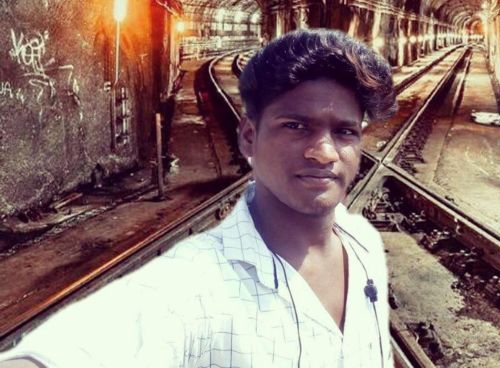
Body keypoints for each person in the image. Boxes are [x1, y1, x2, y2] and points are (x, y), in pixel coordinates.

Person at [0, 29, 397, 368]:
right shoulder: (198, 284)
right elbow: (93, 343)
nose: (324, 153)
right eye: (296, 126)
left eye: (345, 132)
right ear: (249, 138)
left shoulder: (364, 243)